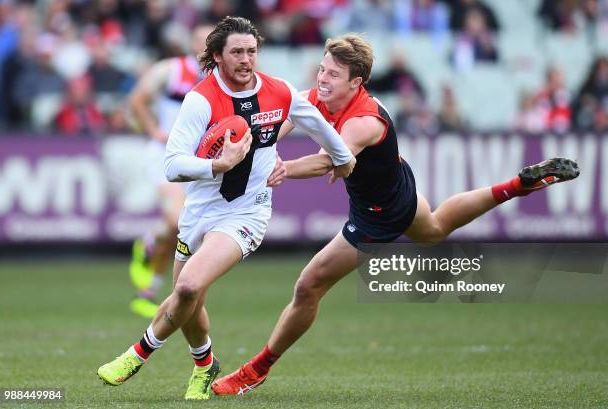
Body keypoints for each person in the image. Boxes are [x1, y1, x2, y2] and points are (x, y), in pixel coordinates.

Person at [211, 33, 580, 395]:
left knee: (309, 286)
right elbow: (281, 121)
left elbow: (331, 160)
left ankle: (255, 371)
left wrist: (282, 169)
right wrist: (254, 143)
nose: (322, 79)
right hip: (394, 185)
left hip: (379, 212)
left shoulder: (364, 121)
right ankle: (518, 185)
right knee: (434, 229)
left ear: (356, 82)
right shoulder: (320, 97)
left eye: (332, 75)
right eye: (322, 70)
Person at [97, 16, 356, 401]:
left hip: (246, 215)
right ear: (217, 56)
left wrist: (343, 159)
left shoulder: (279, 92)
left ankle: (138, 353)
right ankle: (205, 365)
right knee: (190, 300)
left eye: (252, 51)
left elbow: (319, 126)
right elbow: (172, 165)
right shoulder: (201, 100)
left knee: (187, 285)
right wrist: (218, 164)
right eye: (236, 51)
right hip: (199, 212)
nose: (246, 59)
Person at [127, 24, 213, 318]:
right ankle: (152, 243)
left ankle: (149, 287)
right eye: (200, 40)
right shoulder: (172, 70)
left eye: (210, 41)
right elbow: (136, 100)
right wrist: (154, 130)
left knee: (184, 229)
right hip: (166, 156)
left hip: (198, 161)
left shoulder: (221, 79)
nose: (205, 46)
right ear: (191, 43)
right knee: (178, 220)